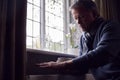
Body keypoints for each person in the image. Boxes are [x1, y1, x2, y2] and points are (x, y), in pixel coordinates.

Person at [37, 0, 120, 80]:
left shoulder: (111, 27)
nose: (78, 22)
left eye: (82, 17)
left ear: (94, 14)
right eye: (76, 18)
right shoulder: (83, 38)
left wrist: (64, 64)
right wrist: (58, 66)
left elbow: (103, 53)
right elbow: (82, 68)